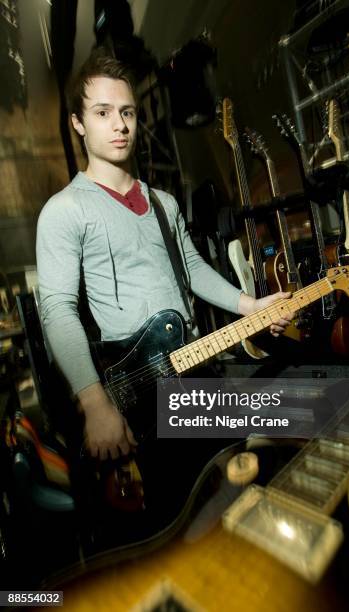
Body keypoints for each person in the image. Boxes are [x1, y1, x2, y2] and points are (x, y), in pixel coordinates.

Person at [36, 52, 294, 466]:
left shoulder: (164, 203)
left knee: (305, 411)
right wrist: (95, 402)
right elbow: (57, 310)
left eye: (127, 112)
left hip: (193, 364)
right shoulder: (65, 210)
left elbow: (190, 268)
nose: (120, 125)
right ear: (78, 123)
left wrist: (252, 306)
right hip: (139, 392)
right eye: (102, 113)